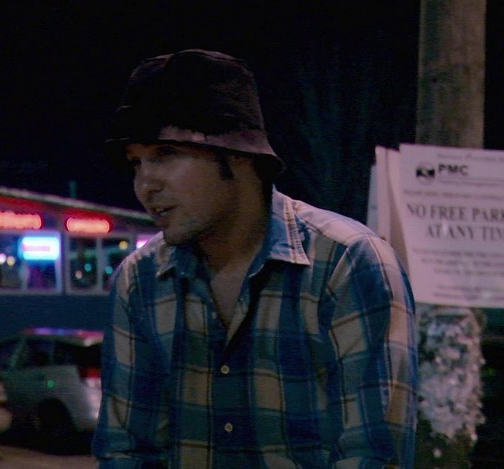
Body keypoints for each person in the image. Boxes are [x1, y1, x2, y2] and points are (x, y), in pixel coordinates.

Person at [91, 49, 418, 468]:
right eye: (136, 163)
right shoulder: (139, 280)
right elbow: (126, 450)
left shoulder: (346, 262)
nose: (145, 184)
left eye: (165, 154)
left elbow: (372, 453)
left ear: (239, 155)